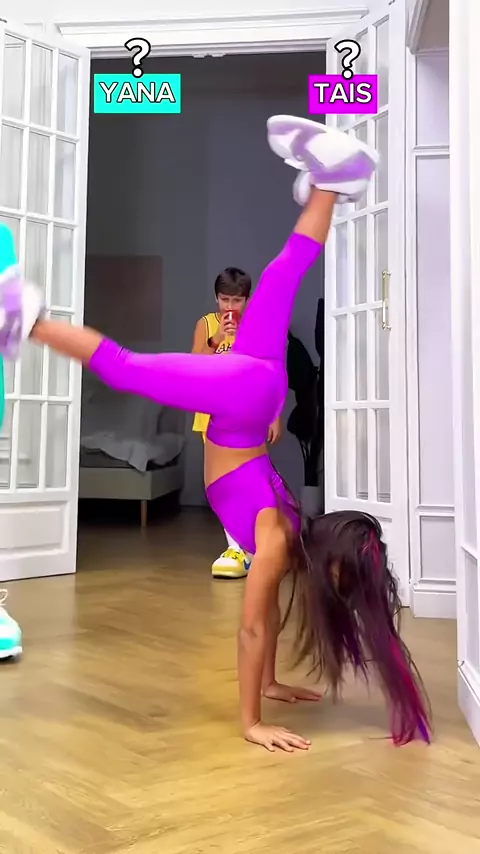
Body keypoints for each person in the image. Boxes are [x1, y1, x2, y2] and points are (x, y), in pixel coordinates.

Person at [0, 115, 431, 751]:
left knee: (282, 275)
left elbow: (269, 619)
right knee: (124, 366)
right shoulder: (278, 541)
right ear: (329, 570)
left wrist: (273, 682)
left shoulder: (292, 534)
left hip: (256, 399)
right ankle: (24, 317)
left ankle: (332, 181)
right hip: (240, 401)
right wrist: (253, 722)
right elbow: (251, 629)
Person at [191, 267, 281, 579]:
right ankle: (237, 549)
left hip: (249, 415)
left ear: (247, 299)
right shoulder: (206, 324)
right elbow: (193, 366)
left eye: (237, 300)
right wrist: (217, 338)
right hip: (212, 416)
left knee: (251, 479)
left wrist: (274, 414)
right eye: (225, 299)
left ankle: (254, 546)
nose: (230, 306)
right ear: (216, 298)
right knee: (223, 484)